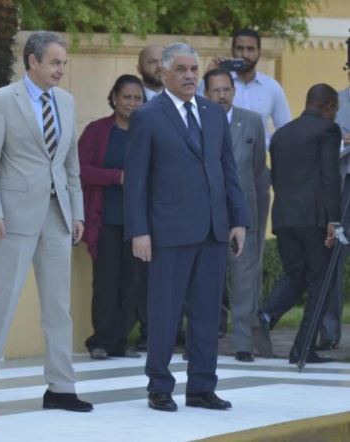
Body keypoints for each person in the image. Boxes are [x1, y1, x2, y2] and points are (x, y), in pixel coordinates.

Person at [0, 31, 93, 412]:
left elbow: (71, 164)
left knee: (59, 306)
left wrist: (77, 213)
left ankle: (61, 388)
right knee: (0, 301)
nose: (60, 70)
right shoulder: (3, 101)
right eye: (54, 62)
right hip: (13, 219)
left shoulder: (67, 103)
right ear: (32, 61)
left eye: (63, 64)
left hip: (57, 218)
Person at [124, 42, 248, 412]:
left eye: (194, 69)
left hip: (212, 230)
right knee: (164, 311)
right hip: (167, 231)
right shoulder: (148, 116)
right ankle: (159, 387)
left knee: (208, 313)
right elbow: (136, 180)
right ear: (164, 73)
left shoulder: (212, 113)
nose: (190, 75)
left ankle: (201, 387)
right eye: (181, 69)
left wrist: (238, 219)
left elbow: (228, 170)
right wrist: (139, 230)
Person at [259, 84, 342, 364]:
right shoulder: (328, 130)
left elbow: (278, 177)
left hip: (283, 216)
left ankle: (266, 313)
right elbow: (331, 177)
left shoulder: (281, 135)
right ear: (329, 106)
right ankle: (303, 349)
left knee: (296, 274)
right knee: (321, 281)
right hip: (315, 218)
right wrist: (335, 220)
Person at [204, 68, 270, 362]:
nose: (222, 95)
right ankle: (201, 341)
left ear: (234, 91)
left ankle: (243, 343)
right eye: (216, 90)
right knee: (205, 282)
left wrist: (257, 217)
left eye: (226, 90)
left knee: (245, 281)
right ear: (205, 94)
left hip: (243, 216)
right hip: (206, 216)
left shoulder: (252, 121)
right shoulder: (197, 121)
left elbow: (258, 174)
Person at [79, 74, 146, 360]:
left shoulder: (147, 131)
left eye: (137, 98)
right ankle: (101, 342)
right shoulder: (97, 130)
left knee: (132, 283)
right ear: (115, 98)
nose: (131, 102)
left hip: (138, 223)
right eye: (126, 97)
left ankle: (121, 341)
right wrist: (116, 177)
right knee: (106, 282)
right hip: (104, 219)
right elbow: (80, 169)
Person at [199, 28, 291, 147]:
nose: (245, 54)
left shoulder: (272, 87)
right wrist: (209, 75)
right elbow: (197, 111)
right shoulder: (220, 84)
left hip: (256, 161)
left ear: (259, 52)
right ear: (232, 51)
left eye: (250, 49)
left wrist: (265, 142)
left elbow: (286, 129)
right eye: (240, 48)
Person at [318, 72, 350, 350]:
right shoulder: (337, 102)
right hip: (344, 187)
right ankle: (329, 331)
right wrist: (345, 143)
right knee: (334, 258)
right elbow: (325, 148)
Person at [135, 44, 163, 351]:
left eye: (161, 62)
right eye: (151, 62)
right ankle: (148, 331)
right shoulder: (140, 108)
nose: (157, 67)